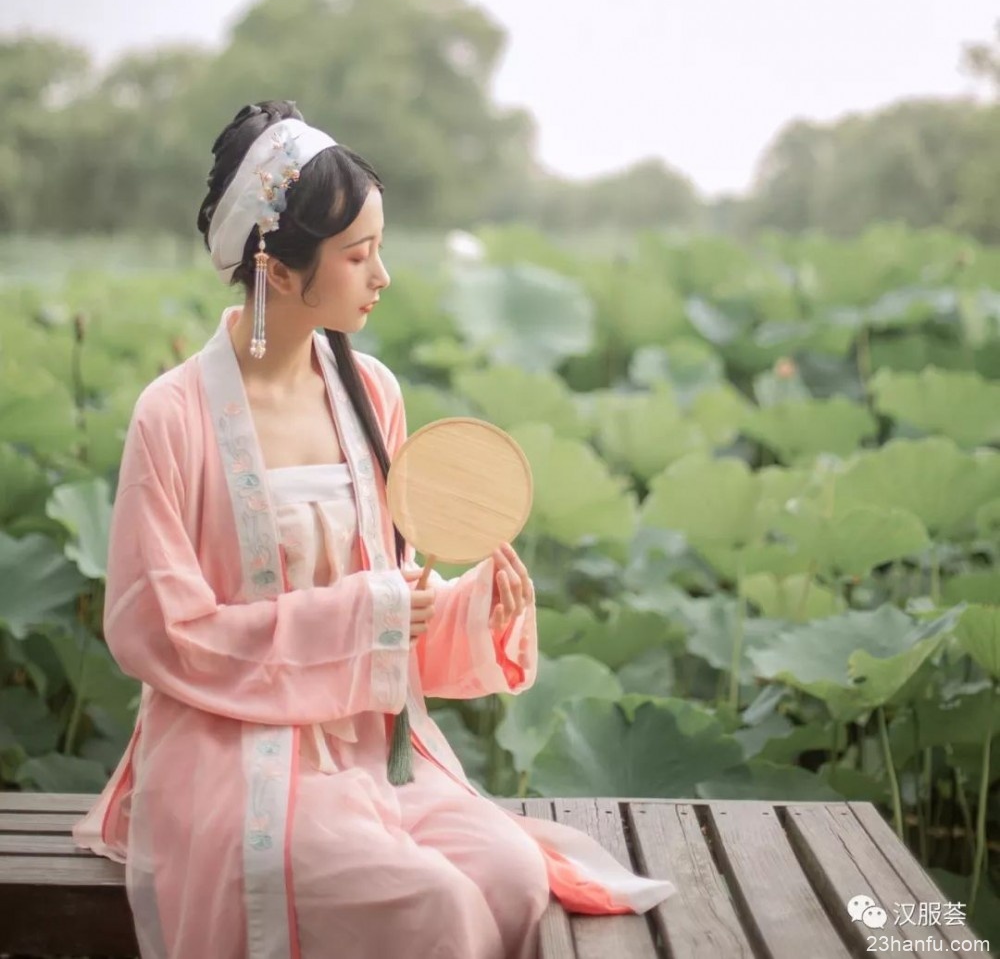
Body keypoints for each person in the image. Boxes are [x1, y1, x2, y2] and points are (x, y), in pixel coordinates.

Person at [73, 100, 676, 959]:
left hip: (365, 748)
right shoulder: (172, 416)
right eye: (357, 255)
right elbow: (155, 629)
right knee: (434, 905)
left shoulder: (373, 394)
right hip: (233, 751)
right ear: (278, 271)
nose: (381, 274)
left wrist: (466, 608)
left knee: (510, 872)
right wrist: (367, 613)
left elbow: (395, 601)